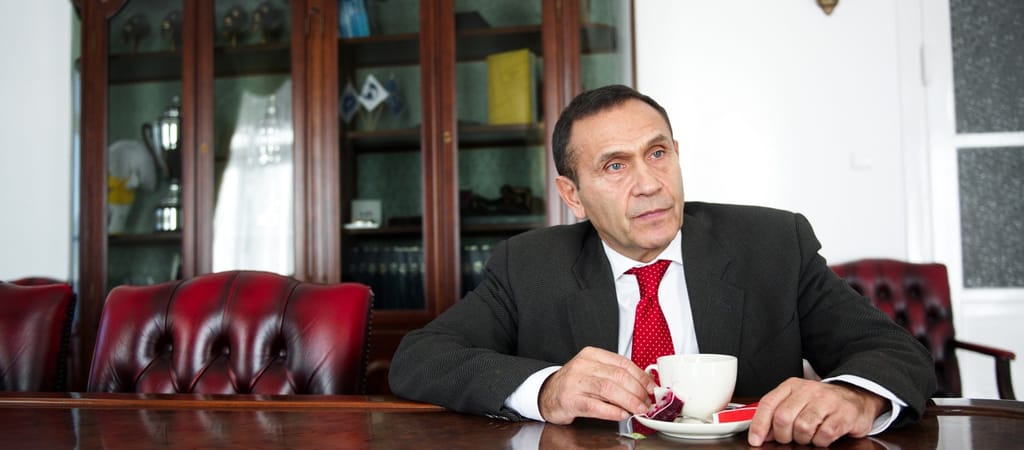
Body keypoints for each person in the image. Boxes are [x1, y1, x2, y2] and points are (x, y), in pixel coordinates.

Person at [389, 84, 935, 447]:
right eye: (614, 166)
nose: (649, 184)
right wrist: (547, 388)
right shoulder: (530, 264)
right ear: (572, 195)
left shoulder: (772, 244)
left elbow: (895, 353)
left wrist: (856, 396)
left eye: (657, 154)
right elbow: (421, 358)